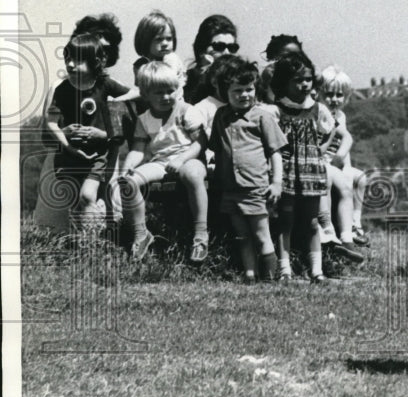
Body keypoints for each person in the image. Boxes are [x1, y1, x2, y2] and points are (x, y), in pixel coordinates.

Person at [270, 51, 354, 281]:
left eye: (307, 79)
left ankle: (317, 270)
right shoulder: (278, 110)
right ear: (284, 82)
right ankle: (284, 268)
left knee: (311, 221)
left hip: (311, 172)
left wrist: (319, 151)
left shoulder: (318, 109)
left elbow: (331, 131)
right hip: (287, 171)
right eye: (297, 80)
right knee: (284, 221)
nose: (304, 84)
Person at [41, 33, 132, 235]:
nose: (71, 64)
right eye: (68, 58)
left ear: (96, 62)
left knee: (88, 194)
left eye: (78, 59)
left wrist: (112, 113)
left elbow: (135, 94)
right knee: (76, 200)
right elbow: (50, 123)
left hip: (97, 156)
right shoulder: (62, 90)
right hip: (68, 156)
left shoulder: (105, 85)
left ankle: (93, 242)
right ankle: (82, 241)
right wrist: (68, 145)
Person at [119, 62, 210, 261]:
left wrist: (181, 159)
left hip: (190, 158)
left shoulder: (185, 110)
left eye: (170, 91)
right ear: (145, 94)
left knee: (192, 174)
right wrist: (127, 167)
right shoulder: (144, 119)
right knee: (129, 182)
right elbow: (138, 149)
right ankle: (141, 234)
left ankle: (201, 235)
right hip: (161, 162)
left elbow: (201, 142)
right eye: (159, 93)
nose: (166, 97)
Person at [209, 58, 286, 283]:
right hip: (230, 187)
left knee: (262, 234)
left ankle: (271, 277)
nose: (244, 95)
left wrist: (277, 182)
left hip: (255, 187)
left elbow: (276, 152)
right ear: (225, 92)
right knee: (242, 235)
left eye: (249, 89)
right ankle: (250, 274)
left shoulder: (262, 117)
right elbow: (216, 149)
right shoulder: (221, 116)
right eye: (237, 90)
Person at [318, 66, 371, 247]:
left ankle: (356, 223)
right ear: (319, 94)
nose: (334, 99)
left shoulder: (341, 115)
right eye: (329, 94)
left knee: (361, 178)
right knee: (345, 182)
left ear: (346, 97)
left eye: (339, 95)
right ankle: (343, 231)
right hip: (323, 163)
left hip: (337, 162)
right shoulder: (319, 113)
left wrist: (346, 166)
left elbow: (343, 147)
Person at [183, 14, 239, 105]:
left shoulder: (243, 82)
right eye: (219, 47)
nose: (227, 53)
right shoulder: (186, 82)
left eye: (232, 47)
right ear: (202, 50)